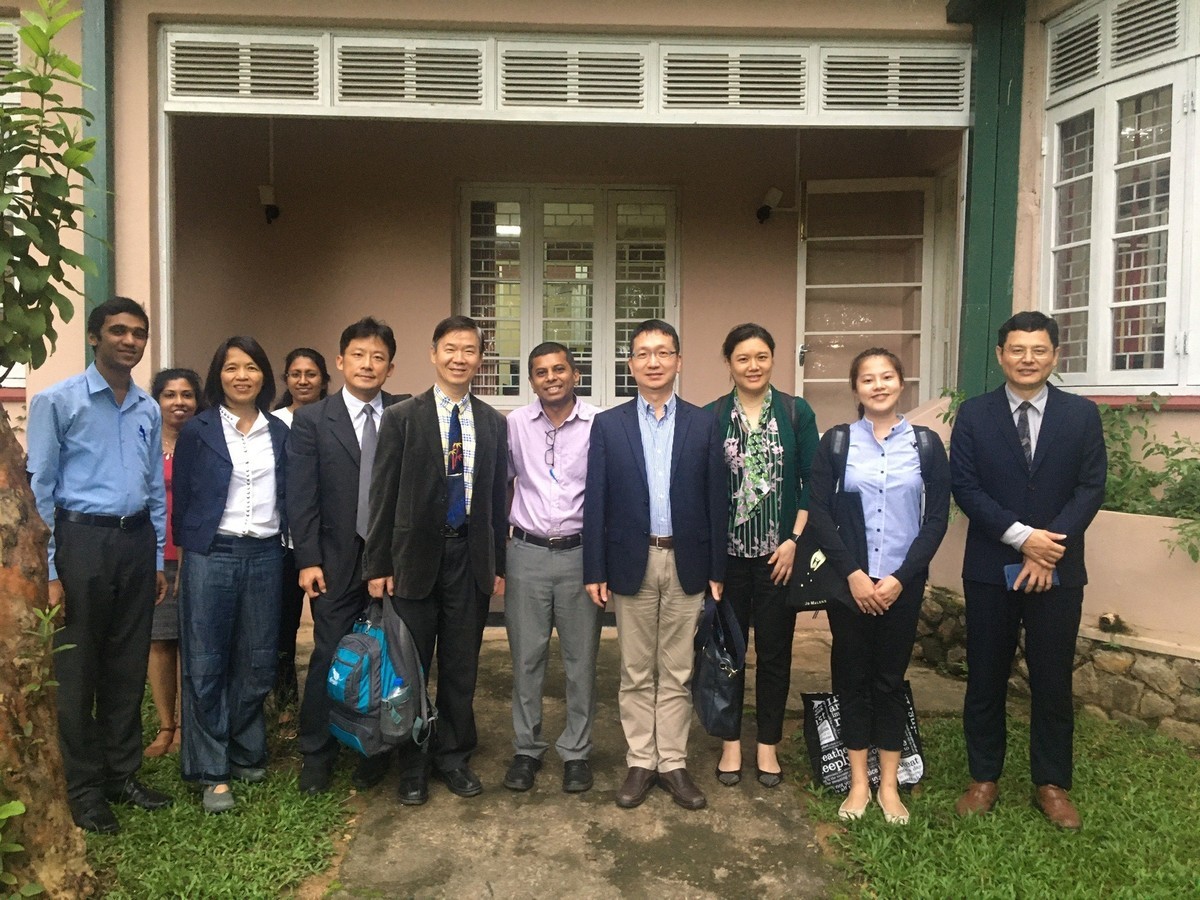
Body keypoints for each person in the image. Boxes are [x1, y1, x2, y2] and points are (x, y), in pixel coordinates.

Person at [950, 311, 1106, 831]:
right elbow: (967, 488)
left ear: (1055, 356)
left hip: (1059, 569)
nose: (1027, 359)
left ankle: (1052, 783)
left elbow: (1091, 487)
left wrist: (1047, 547)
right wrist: (1023, 540)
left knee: (1052, 678)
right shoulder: (974, 415)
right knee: (986, 675)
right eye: (1017, 349)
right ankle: (984, 777)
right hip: (992, 567)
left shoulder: (1082, 415)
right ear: (1001, 355)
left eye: (1038, 350)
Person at [27, 296, 173, 834]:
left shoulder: (147, 408)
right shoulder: (57, 401)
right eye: (118, 331)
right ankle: (84, 790)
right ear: (94, 337)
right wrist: (49, 571)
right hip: (80, 542)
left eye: (138, 333)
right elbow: (40, 486)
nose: (130, 341)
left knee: (126, 664)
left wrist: (156, 555)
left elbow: (154, 488)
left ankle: (122, 774)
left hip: (135, 543)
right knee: (78, 669)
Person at [583, 319, 727, 811]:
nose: (653, 361)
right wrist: (594, 568)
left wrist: (716, 568)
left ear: (678, 361)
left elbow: (716, 500)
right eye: (643, 353)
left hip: (686, 560)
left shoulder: (704, 423)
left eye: (663, 352)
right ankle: (641, 760)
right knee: (636, 668)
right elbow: (596, 502)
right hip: (632, 560)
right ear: (631, 365)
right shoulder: (609, 425)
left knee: (678, 669)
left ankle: (673, 763)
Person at [364, 315, 507, 806]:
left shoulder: (492, 422)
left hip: (470, 556)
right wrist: (377, 565)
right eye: (450, 348)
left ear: (479, 360)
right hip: (413, 560)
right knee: (411, 667)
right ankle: (413, 764)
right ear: (433, 353)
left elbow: (495, 501)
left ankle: (453, 756)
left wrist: (499, 565)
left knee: (462, 667)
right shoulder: (403, 417)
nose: (459, 358)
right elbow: (381, 497)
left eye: (469, 350)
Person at [807, 348, 950, 825]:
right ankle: (857, 784)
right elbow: (821, 514)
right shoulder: (837, 442)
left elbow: (935, 520)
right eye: (867, 379)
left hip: (900, 585)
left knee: (889, 681)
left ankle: (889, 786)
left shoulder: (926, 445)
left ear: (900, 383)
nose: (878, 385)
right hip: (850, 583)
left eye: (886, 376)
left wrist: (899, 579)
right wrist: (852, 575)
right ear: (856, 390)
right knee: (851, 679)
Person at [287, 319, 407, 795]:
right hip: (335, 562)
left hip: (393, 563)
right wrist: (308, 560)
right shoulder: (313, 419)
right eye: (358, 355)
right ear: (340, 361)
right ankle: (317, 751)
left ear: (390, 366)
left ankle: (375, 747)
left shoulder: (405, 413)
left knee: (388, 656)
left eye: (378, 357)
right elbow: (302, 496)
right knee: (330, 655)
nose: (368, 364)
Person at [173, 336, 288, 814]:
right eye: (231, 367)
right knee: (205, 661)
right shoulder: (198, 430)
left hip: (265, 555)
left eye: (251, 366)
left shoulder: (279, 432)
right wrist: (186, 557)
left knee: (259, 659)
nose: (242, 375)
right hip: (211, 555)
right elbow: (182, 496)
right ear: (217, 375)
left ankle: (245, 749)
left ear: (264, 374)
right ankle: (211, 769)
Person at [705, 323, 819, 788]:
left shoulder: (796, 412)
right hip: (729, 561)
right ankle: (731, 742)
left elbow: (814, 481)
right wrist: (711, 563)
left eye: (761, 357)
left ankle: (767, 744)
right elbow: (705, 491)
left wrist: (793, 540)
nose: (753, 366)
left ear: (773, 359)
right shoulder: (712, 417)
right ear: (729, 363)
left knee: (775, 653)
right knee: (728, 653)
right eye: (743, 358)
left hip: (780, 557)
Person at [503, 342, 601, 795]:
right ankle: (527, 749)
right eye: (541, 372)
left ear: (575, 374)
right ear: (532, 380)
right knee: (527, 657)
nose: (551, 377)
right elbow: (499, 485)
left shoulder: (600, 424)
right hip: (527, 553)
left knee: (581, 662)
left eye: (559, 369)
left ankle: (576, 752)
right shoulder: (514, 425)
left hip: (581, 555)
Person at [145, 368, 204, 758]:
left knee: (194, 643)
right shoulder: (144, 443)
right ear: (158, 401)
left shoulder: (205, 443)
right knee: (161, 642)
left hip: (197, 555)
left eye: (186, 395)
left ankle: (188, 725)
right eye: (169, 395)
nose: (178, 402)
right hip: (154, 557)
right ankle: (166, 726)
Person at [271, 348, 331, 712]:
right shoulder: (273, 423)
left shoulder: (334, 418)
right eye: (296, 373)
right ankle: (286, 704)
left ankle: (329, 706)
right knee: (282, 629)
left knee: (330, 630)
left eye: (311, 373)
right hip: (281, 543)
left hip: (326, 545)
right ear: (286, 379)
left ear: (324, 379)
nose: (304, 380)